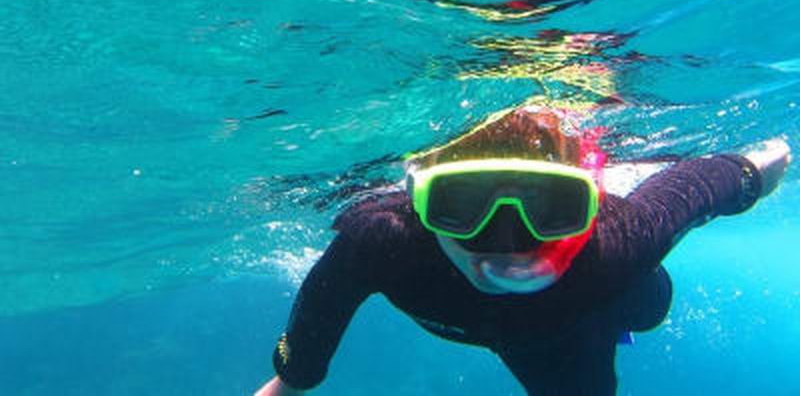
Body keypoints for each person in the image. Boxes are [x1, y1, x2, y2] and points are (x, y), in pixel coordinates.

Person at [254, 106, 791, 395]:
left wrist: (754, 171)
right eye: (462, 206)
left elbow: (697, 183)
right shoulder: (383, 240)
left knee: (648, 309)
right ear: (418, 204)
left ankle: (622, 311)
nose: (506, 245)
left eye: (547, 208)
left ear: (585, 203)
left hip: (589, 311)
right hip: (549, 336)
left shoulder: (613, 248)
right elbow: (324, 302)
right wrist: (290, 379)